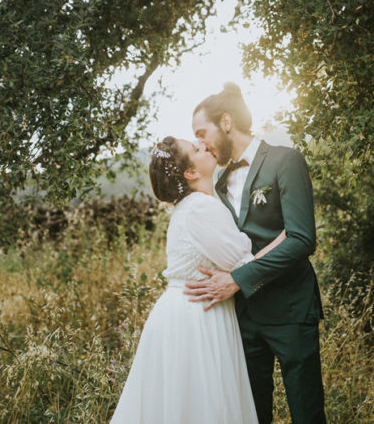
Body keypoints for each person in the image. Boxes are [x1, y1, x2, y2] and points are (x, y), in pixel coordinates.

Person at [110, 136, 286, 424]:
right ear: (190, 173)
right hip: (196, 318)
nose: (203, 145)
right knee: (202, 405)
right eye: (195, 148)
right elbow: (244, 265)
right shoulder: (201, 208)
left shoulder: (192, 206)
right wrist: (284, 239)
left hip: (186, 311)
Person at [185, 83, 326, 424]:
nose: (201, 143)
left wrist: (237, 279)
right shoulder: (217, 185)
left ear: (227, 122)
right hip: (244, 318)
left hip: (291, 310)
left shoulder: (284, 160)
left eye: (202, 132)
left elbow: (302, 238)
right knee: (251, 414)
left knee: (307, 413)